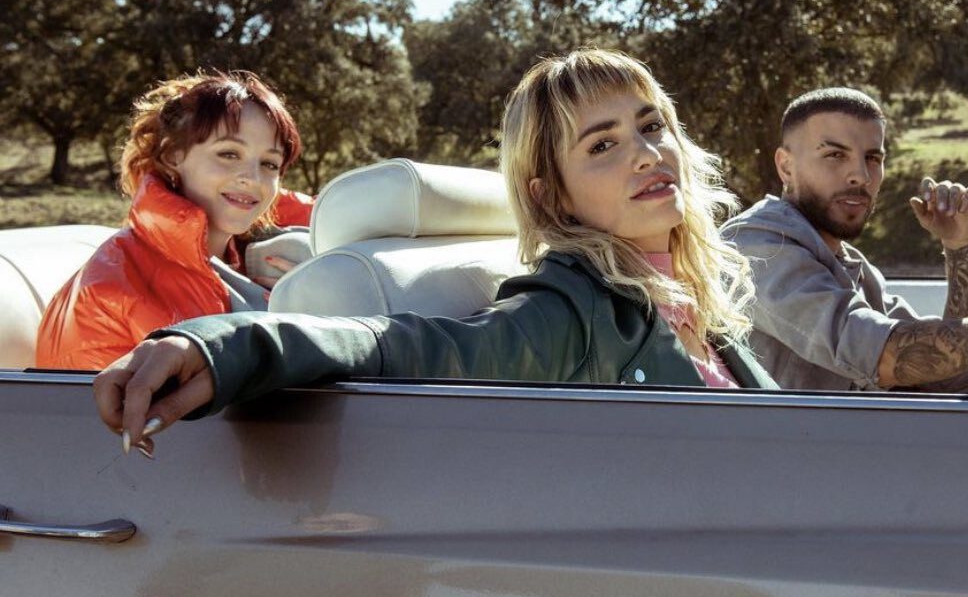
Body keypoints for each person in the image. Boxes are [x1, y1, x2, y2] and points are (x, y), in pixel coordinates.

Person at [94, 48, 777, 456]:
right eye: (602, 144)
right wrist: (231, 345)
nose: (647, 154)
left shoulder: (693, 295)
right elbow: (415, 344)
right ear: (553, 197)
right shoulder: (573, 309)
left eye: (652, 125)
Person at [720, 88, 968, 393]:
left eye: (872, 158)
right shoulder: (754, 249)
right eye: (835, 155)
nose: (861, 176)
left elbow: (954, 375)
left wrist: (960, 246)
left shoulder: (852, 266)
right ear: (786, 166)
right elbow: (889, 357)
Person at [37, 72, 314, 371]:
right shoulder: (108, 292)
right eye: (229, 154)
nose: (253, 178)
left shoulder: (271, 258)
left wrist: (319, 309)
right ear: (173, 155)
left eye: (269, 163)